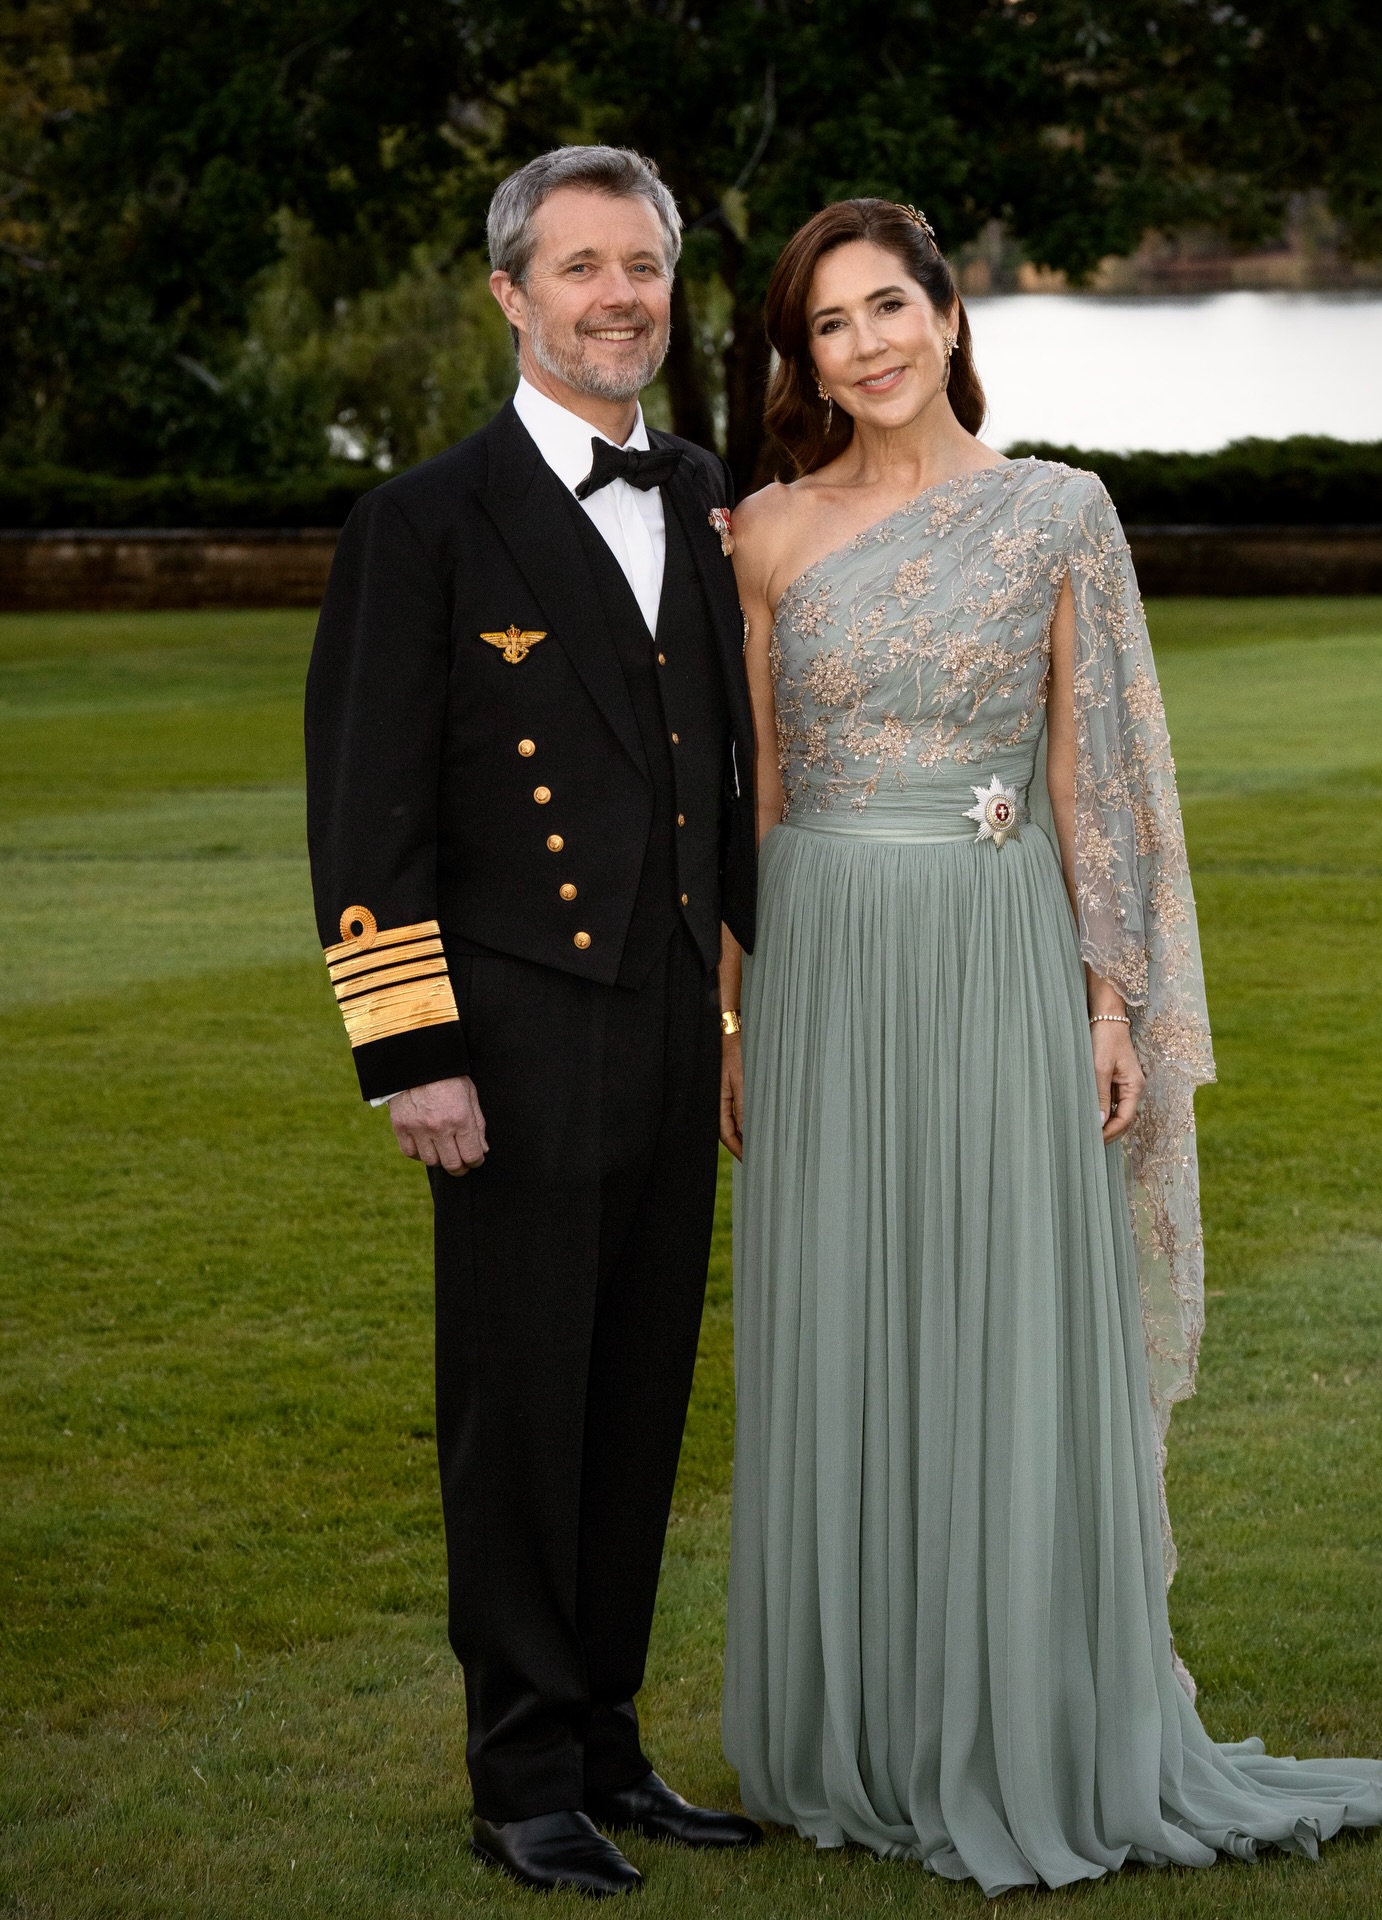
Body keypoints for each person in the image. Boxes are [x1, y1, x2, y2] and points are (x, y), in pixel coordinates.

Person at [717, 197, 1382, 1895]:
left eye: (889, 307)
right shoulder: (766, 535)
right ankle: (860, 1727)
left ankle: (1028, 1714)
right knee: (851, 1318)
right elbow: (755, 795)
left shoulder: (1061, 512)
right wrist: (735, 1012)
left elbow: (1096, 781)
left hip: (1004, 957)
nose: (863, 346)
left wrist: (1111, 1002)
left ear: (950, 317)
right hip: (823, 964)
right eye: (828, 325)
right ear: (802, 359)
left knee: (1010, 1316)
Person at [305, 144, 762, 1898]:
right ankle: (518, 1774)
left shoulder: (704, 490)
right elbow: (368, 825)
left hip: (664, 1024)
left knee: (638, 1398)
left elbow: (720, 780)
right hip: (504, 1038)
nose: (620, 295)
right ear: (512, 294)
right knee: (520, 1407)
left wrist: (744, 1005)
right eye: (581, 268)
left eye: (641, 266)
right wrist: (411, 1054)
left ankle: (610, 1739)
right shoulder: (420, 522)